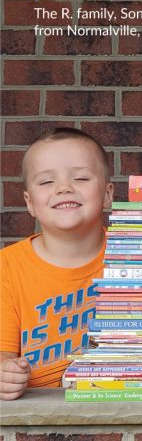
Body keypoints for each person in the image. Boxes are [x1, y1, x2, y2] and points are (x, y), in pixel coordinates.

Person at [1, 128, 113, 400]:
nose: (64, 187)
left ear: (108, 194)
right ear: (30, 203)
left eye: (81, 177)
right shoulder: (7, 267)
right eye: (46, 181)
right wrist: (5, 373)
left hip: (120, 404)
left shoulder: (135, 257)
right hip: (38, 414)